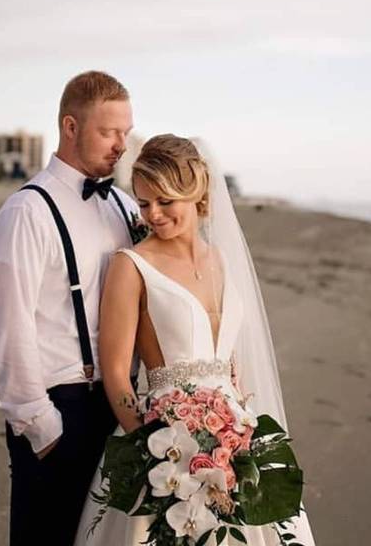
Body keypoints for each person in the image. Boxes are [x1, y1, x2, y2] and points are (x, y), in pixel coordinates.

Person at [74, 134, 315, 545]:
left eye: (165, 201)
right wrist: (150, 450)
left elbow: (232, 367)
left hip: (234, 446)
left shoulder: (221, 259)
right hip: (163, 448)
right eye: (144, 202)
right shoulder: (131, 265)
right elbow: (116, 375)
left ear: (197, 193)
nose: (153, 214)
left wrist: (239, 437)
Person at [0, 70, 142, 546]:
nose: (120, 145)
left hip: (120, 408)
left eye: (126, 132)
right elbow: (7, 328)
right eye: (108, 132)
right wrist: (42, 426)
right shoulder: (26, 213)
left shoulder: (124, 206)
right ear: (70, 127)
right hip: (60, 412)